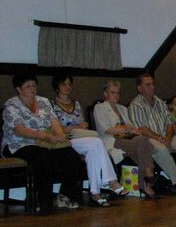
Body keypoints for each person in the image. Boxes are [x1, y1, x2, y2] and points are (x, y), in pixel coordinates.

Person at [2, 72, 82, 211]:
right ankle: (40, 198)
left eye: (34, 85)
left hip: (46, 142)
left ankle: (66, 194)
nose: (32, 88)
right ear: (19, 89)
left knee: (71, 156)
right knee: (43, 157)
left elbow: (54, 121)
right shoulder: (12, 105)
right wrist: (44, 137)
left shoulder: (43, 102)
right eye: (28, 86)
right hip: (20, 143)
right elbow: (19, 130)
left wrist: (60, 134)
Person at [50, 73, 129, 206]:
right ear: (57, 87)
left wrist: (83, 126)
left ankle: (95, 192)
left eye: (69, 84)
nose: (68, 87)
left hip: (81, 138)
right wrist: (75, 128)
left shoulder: (76, 104)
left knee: (94, 149)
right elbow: (53, 129)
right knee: (97, 142)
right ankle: (110, 180)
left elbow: (83, 123)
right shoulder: (51, 105)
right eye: (64, 84)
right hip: (64, 141)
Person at [129, 74, 176, 195]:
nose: (152, 87)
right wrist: (160, 138)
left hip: (166, 136)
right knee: (162, 150)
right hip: (148, 138)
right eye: (148, 85)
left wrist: (168, 138)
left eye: (153, 84)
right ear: (139, 88)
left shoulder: (159, 102)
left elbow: (169, 123)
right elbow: (141, 128)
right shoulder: (136, 104)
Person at [94, 81, 161, 199]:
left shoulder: (123, 109)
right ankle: (147, 178)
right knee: (144, 148)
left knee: (143, 141)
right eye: (113, 92)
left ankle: (147, 177)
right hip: (112, 139)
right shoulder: (100, 108)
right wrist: (125, 128)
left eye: (118, 93)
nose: (116, 95)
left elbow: (130, 127)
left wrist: (135, 131)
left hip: (128, 137)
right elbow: (106, 130)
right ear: (105, 94)